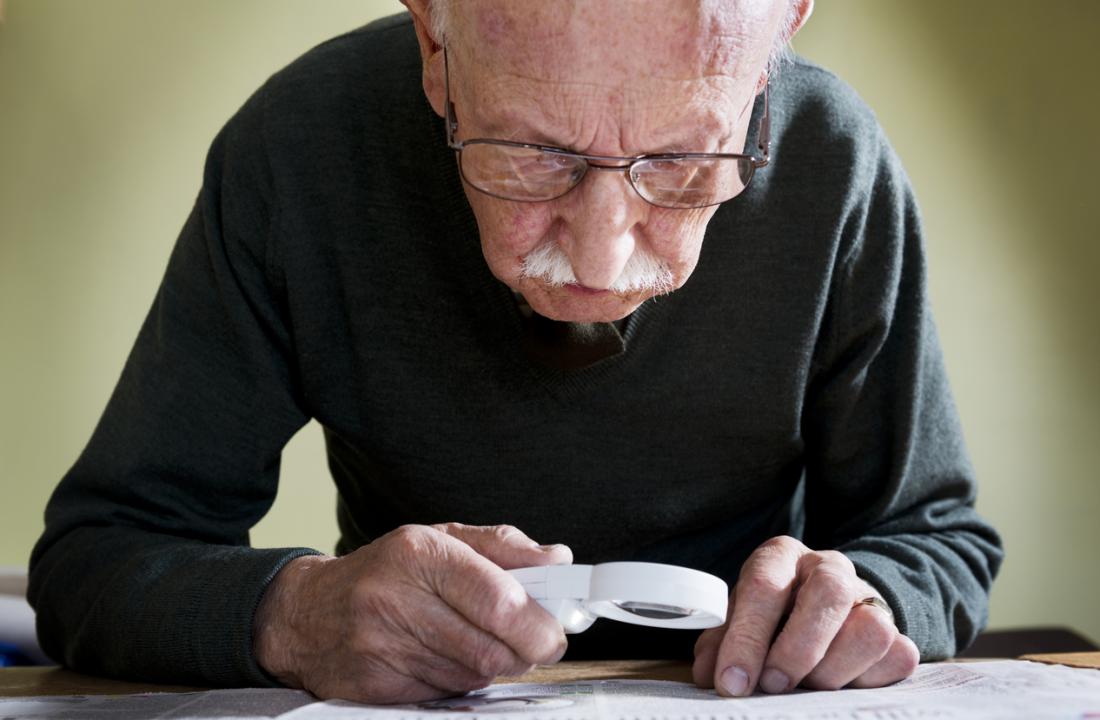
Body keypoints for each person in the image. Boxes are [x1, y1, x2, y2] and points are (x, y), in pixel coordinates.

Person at [28, 0, 1003, 706]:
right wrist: (295, 611)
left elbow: (937, 541)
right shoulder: (300, 148)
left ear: (774, 42)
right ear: (434, 46)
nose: (602, 259)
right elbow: (93, 561)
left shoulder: (833, 160)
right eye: (536, 155)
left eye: (681, 160)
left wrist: (861, 601)